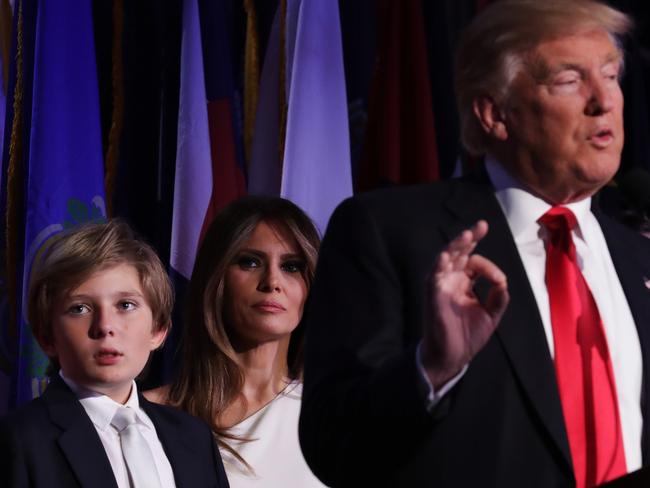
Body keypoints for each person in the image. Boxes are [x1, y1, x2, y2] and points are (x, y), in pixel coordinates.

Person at [299, 1, 650, 487]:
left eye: (610, 76)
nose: (604, 100)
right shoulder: (389, 232)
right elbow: (333, 444)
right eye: (570, 80)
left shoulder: (639, 259)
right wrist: (432, 368)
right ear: (494, 114)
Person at [0, 220, 229, 488]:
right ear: (47, 338)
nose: (105, 326)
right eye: (80, 308)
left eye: (126, 305)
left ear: (158, 330)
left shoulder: (193, 436)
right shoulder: (18, 440)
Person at [145, 196, 325, 487]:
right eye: (250, 262)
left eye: (291, 266)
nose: (272, 282)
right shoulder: (147, 416)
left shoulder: (335, 417)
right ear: (216, 279)